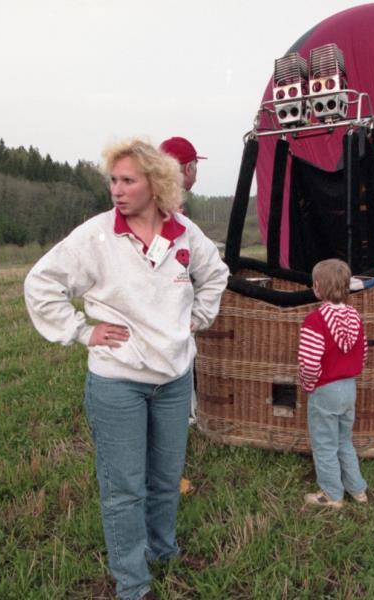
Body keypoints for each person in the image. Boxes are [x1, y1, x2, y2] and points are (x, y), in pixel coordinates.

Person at [23, 138, 228, 600]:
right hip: (118, 383)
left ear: (155, 183)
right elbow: (41, 283)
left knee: (165, 479)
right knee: (125, 489)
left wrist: (198, 317)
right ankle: (133, 585)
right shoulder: (96, 236)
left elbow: (216, 274)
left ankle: (163, 550)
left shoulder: (183, 232)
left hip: (174, 380)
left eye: (127, 180)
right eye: (113, 180)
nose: (116, 189)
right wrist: (81, 330)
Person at [298, 258, 369, 509]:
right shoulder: (355, 317)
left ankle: (331, 494)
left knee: (325, 445)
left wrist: (309, 385)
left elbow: (309, 363)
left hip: (325, 388)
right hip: (349, 387)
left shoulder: (315, 321)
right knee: (344, 440)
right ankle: (357, 489)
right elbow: (363, 352)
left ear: (317, 288)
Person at [160, 135, 206, 496]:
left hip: (165, 312)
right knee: (164, 393)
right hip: (164, 316)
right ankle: (166, 476)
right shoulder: (166, 212)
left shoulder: (162, 205)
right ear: (187, 169)